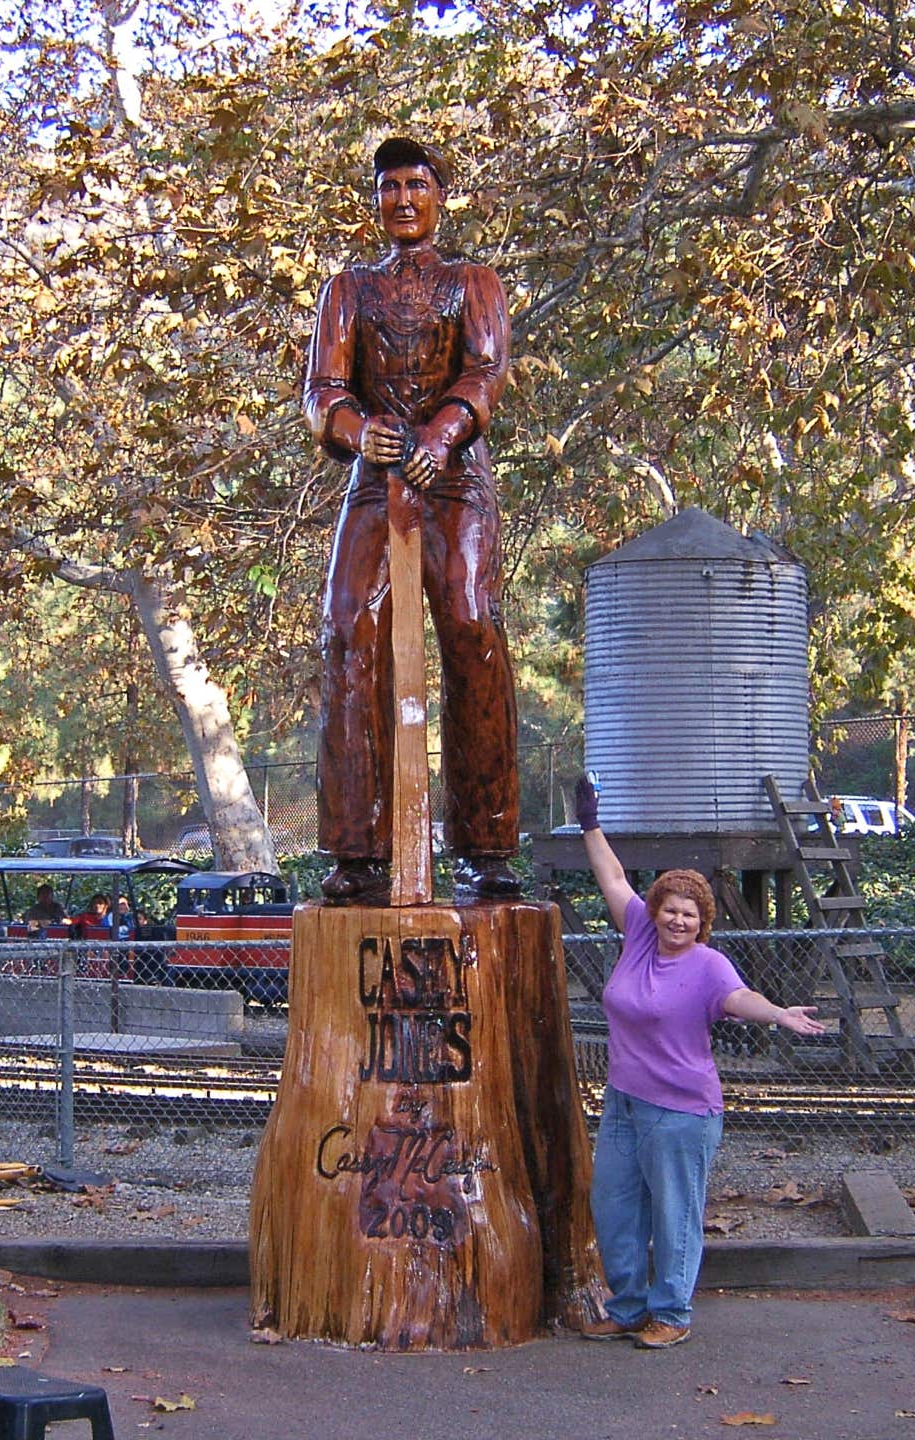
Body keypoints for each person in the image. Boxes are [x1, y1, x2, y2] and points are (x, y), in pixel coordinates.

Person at [304, 136, 521, 903]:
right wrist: (359, 428)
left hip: (454, 480)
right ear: (376, 200)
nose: (402, 199)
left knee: (470, 623)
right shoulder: (348, 290)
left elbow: (486, 371)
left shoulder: (473, 283)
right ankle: (358, 849)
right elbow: (322, 391)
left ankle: (487, 843)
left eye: (416, 185)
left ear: (438, 197)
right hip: (378, 482)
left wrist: (442, 432)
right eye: (389, 186)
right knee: (348, 628)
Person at [574, 774, 826, 1349]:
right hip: (624, 1102)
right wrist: (590, 822)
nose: (677, 920)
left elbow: (740, 999)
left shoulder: (710, 966)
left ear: (702, 920)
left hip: (681, 1111)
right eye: (670, 909)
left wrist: (778, 1014)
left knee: (674, 1215)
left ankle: (672, 1314)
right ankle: (628, 1307)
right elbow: (611, 876)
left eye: (689, 914)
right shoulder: (636, 933)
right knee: (613, 1204)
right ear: (655, 911)